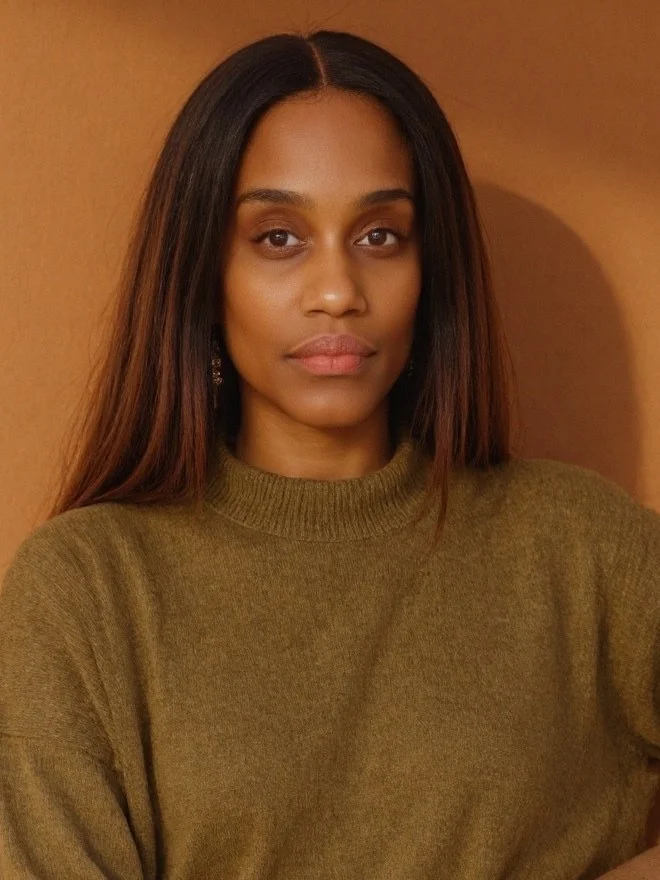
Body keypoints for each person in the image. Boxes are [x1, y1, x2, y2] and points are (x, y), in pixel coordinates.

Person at [0, 28, 659, 880]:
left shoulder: (581, 550)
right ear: (202, 275)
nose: (340, 290)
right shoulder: (87, 593)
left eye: (381, 235)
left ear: (433, 268)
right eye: (278, 237)